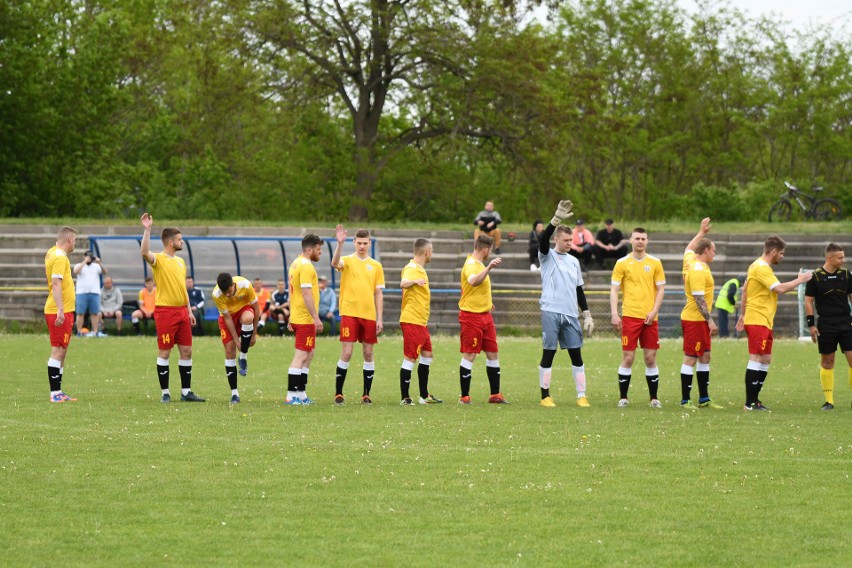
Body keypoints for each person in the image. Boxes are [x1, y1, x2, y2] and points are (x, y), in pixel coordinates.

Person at [735, 235, 812, 411]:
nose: (782, 257)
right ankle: (750, 403)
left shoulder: (758, 266)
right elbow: (780, 289)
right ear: (774, 251)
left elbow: (745, 290)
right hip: (758, 319)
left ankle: (755, 399)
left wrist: (742, 314)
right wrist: (800, 280)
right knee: (755, 357)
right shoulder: (761, 267)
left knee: (766, 358)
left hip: (763, 319)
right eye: (782, 253)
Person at [140, 213, 204, 403]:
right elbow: (144, 252)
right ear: (170, 242)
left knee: (187, 351)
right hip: (166, 312)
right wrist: (147, 229)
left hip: (182, 312)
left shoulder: (180, 262)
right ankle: (165, 392)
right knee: (165, 352)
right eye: (179, 239)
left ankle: (186, 392)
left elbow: (182, 287)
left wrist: (190, 311)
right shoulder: (159, 259)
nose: (181, 242)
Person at [537, 200, 595, 408]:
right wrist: (555, 219)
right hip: (551, 311)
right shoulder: (547, 256)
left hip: (571, 314)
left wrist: (587, 314)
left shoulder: (574, 261)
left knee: (576, 354)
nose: (570, 243)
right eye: (566, 240)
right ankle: (545, 396)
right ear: (556, 240)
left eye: (571, 240)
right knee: (549, 352)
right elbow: (543, 241)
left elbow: (579, 290)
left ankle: (581, 395)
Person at [610, 227, 666, 408]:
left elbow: (660, 289)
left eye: (643, 238)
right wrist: (614, 313)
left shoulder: (655, 263)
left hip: (650, 318)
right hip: (630, 316)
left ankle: (654, 398)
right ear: (631, 241)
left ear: (647, 241)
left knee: (650, 358)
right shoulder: (622, 263)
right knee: (628, 358)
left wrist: (654, 311)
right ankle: (623, 398)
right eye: (637, 238)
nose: (640, 241)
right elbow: (614, 290)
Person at [332, 225, 385, 405]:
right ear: (354, 243)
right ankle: (338, 393)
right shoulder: (346, 260)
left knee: (368, 353)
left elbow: (378, 293)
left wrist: (379, 318)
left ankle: (366, 394)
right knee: (347, 352)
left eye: (365, 243)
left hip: (369, 315)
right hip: (349, 312)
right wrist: (339, 244)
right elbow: (334, 264)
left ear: (369, 244)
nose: (362, 246)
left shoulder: (376, 266)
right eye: (359, 242)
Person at [679, 218, 723, 409]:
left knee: (705, 356)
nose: (714, 253)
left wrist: (701, 232)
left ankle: (704, 398)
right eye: (713, 250)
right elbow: (699, 299)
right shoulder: (697, 269)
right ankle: (685, 399)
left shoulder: (692, 260)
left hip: (700, 320)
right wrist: (710, 321)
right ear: (705, 251)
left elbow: (688, 248)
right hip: (694, 318)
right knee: (691, 357)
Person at [458, 234, 508, 404]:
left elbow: (477, 290)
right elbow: (473, 282)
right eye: (490, 250)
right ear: (485, 249)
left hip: (485, 316)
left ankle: (495, 395)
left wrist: (488, 302)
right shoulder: (472, 265)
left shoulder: (478, 264)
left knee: (493, 353)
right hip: (471, 317)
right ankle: (464, 397)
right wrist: (489, 268)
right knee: (470, 354)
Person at [804, 243, 851, 411]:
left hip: (846, 323)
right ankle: (829, 401)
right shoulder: (815, 277)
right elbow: (808, 301)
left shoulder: (847, 275)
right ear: (829, 258)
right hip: (826, 324)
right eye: (840, 257)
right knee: (827, 361)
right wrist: (811, 325)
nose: (843, 260)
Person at [398, 238, 444, 405]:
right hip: (412, 320)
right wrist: (413, 282)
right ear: (427, 252)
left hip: (420, 322)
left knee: (427, 355)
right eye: (432, 251)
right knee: (410, 358)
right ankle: (405, 398)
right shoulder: (412, 269)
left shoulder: (419, 269)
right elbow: (403, 283)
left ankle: (424, 396)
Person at [284, 235, 326, 405]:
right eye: (318, 249)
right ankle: (290, 395)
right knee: (301, 355)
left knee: (309, 354)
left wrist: (290, 315)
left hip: (298, 316)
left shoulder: (295, 263)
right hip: (305, 318)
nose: (320, 252)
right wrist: (316, 318)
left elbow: (291, 291)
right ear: (310, 249)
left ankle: (301, 394)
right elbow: (306, 293)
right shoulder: (306, 266)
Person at [212, 273, 260, 403]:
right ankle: (234, 394)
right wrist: (236, 340)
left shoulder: (245, 285)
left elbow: (256, 309)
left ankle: (243, 357)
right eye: (224, 292)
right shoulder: (216, 294)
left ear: (233, 284)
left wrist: (254, 333)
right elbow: (227, 318)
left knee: (248, 318)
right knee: (229, 352)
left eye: (229, 291)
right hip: (227, 318)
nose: (227, 295)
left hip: (243, 310)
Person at [44, 226, 78, 403]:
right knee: (57, 351)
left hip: (65, 309)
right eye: (75, 240)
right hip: (58, 310)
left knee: (62, 351)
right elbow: (56, 284)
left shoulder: (52, 252)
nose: (75, 244)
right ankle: (54, 393)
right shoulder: (59, 257)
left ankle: (59, 391)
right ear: (70, 240)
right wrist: (60, 309)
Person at [73, 249, 106, 336]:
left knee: (95, 313)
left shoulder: (96, 266)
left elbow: (104, 272)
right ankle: (79, 331)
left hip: (94, 292)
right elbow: (76, 271)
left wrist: (99, 263)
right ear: (84, 257)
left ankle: (95, 332)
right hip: (81, 292)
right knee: (80, 313)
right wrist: (84, 262)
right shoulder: (79, 265)